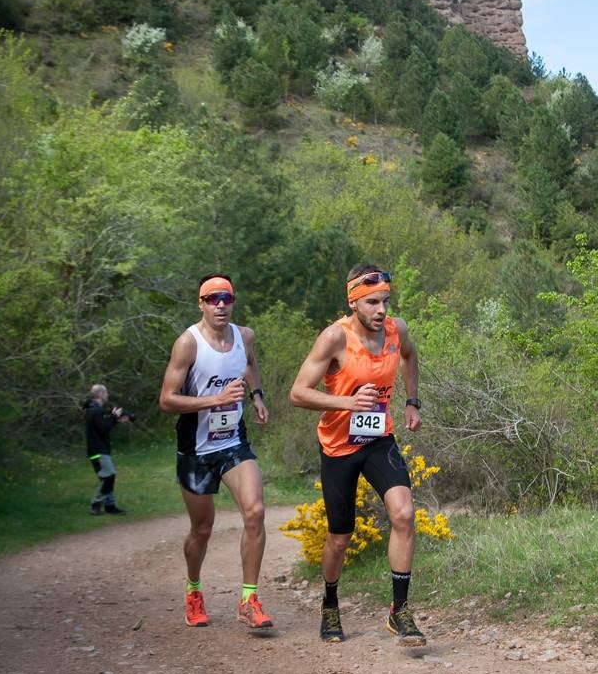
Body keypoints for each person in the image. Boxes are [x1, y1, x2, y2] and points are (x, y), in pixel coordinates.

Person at [289, 263, 426, 646]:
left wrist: (412, 401)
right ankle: (330, 603)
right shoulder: (334, 337)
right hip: (339, 446)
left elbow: (411, 357)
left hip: (379, 439)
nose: (381, 310)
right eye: (372, 303)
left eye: (385, 301)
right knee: (340, 537)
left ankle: (400, 612)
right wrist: (346, 403)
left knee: (404, 514)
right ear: (353, 302)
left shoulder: (398, 330)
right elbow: (298, 392)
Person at [159, 272, 273, 631]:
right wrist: (215, 400)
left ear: (233, 301)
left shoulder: (245, 336)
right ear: (201, 303)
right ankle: (194, 588)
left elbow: (250, 363)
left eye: (226, 298)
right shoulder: (188, 344)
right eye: (212, 299)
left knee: (255, 512)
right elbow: (166, 400)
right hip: (196, 449)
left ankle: (249, 600)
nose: (220, 305)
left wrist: (256, 396)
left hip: (233, 443)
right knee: (202, 530)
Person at [82, 384, 131, 515]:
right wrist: (114, 417)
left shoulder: (91, 409)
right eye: (106, 393)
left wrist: (114, 419)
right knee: (109, 477)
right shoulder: (96, 410)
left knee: (106, 479)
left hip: (94, 450)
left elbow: (102, 426)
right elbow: (104, 429)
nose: (107, 395)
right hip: (99, 450)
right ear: (100, 394)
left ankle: (110, 506)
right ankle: (96, 504)